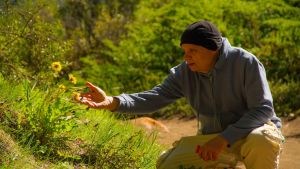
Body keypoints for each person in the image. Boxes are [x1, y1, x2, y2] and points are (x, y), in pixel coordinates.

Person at [77, 20, 284, 169]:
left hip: (251, 133)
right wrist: (111, 101)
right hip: (211, 140)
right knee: (165, 165)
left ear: (212, 48)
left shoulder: (244, 62)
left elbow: (263, 109)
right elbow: (154, 97)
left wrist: (224, 139)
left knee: (262, 140)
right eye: (184, 50)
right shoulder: (184, 72)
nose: (186, 56)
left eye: (193, 50)